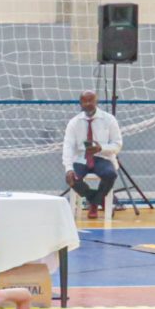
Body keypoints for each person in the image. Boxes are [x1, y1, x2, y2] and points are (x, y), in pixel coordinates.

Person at [63, 89, 123, 219]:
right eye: (85, 101)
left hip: (103, 157)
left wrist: (101, 148)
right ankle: (98, 201)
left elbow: (117, 145)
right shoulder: (74, 122)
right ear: (80, 103)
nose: (88, 103)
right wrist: (68, 168)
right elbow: (68, 147)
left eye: (91, 100)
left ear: (97, 101)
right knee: (72, 178)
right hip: (81, 158)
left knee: (110, 174)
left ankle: (94, 204)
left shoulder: (109, 119)